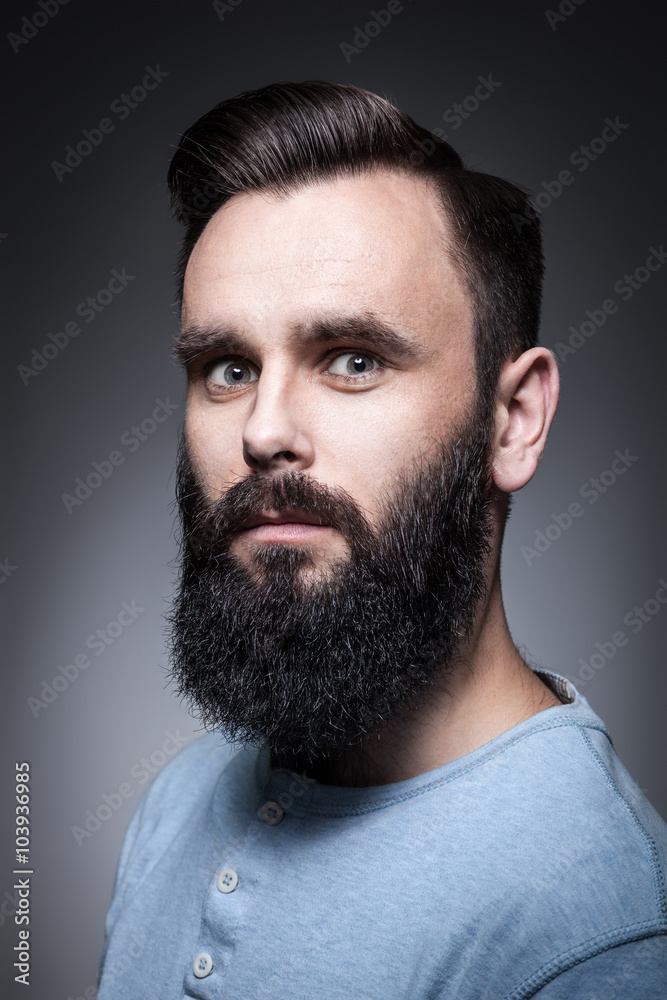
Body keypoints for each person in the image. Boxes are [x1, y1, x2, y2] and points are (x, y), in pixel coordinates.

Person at [96, 81, 667, 998]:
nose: (262, 429)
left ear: (513, 419)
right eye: (227, 368)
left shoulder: (595, 935)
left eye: (353, 360)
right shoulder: (179, 799)